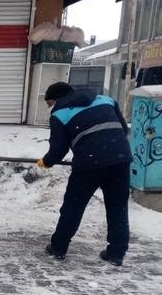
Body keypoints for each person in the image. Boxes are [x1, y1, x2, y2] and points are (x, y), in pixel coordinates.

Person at [38, 82, 132, 266]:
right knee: (118, 207)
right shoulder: (106, 100)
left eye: (49, 103)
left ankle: (58, 248)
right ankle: (116, 253)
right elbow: (123, 128)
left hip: (89, 163)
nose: (50, 107)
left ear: (56, 98)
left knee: (73, 206)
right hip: (120, 159)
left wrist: (46, 161)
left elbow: (58, 149)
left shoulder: (59, 113)